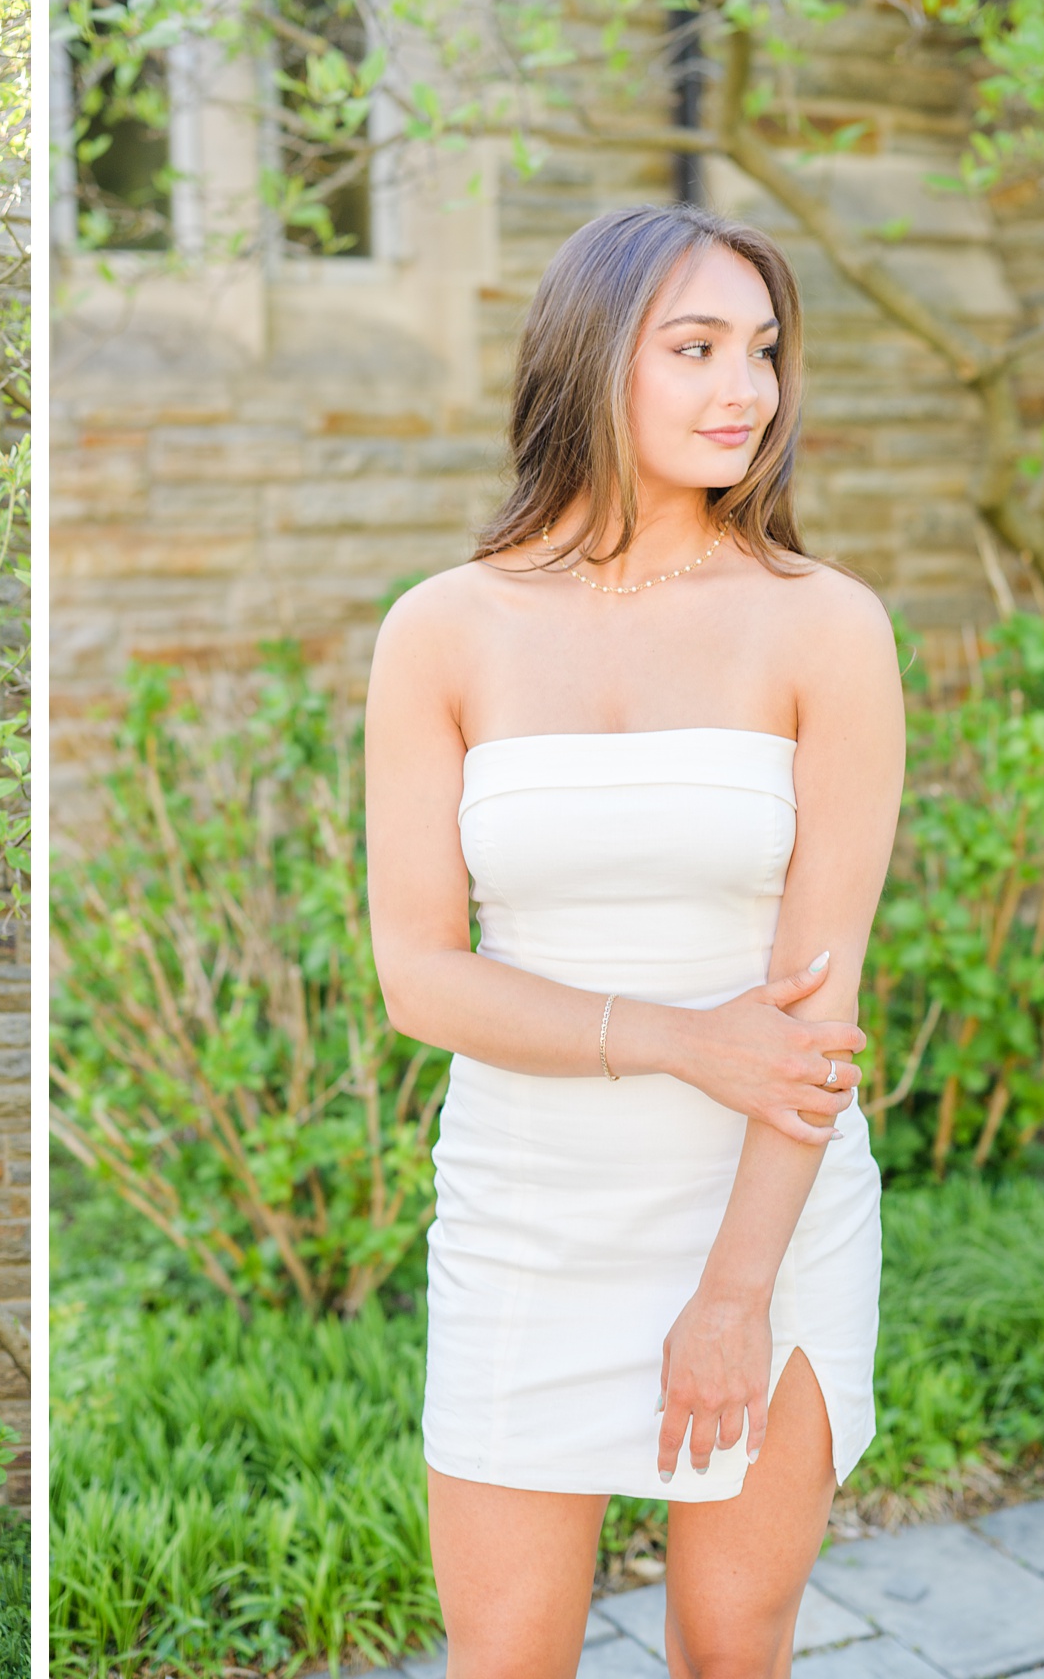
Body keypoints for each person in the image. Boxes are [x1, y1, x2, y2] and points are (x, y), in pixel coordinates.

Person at [364, 202, 904, 1675]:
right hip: (528, 1217)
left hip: (763, 1217)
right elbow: (420, 978)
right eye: (698, 348)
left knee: (734, 1649)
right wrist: (675, 1036)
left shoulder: (826, 628)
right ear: (595, 359)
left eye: (766, 350)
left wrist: (733, 1299)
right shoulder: (443, 630)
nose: (750, 390)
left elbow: (813, 1021)